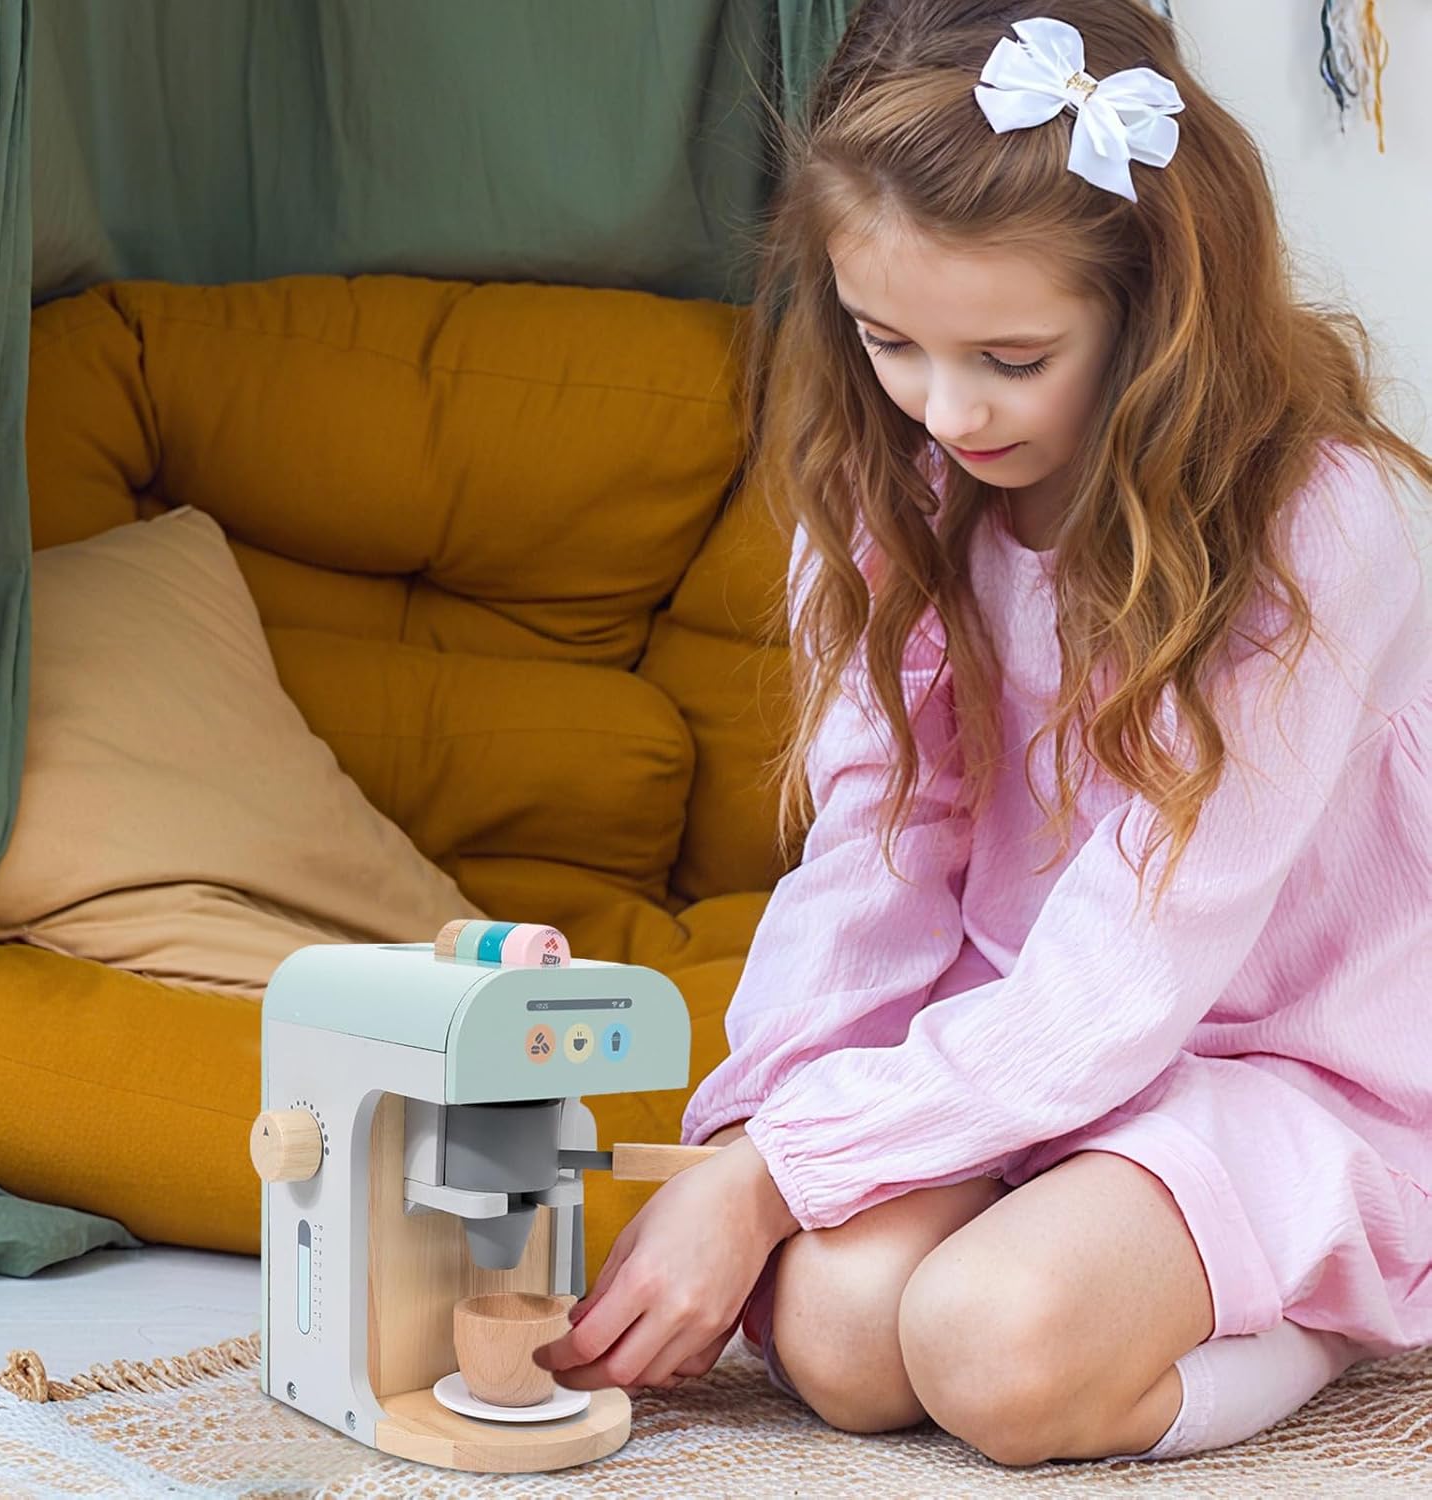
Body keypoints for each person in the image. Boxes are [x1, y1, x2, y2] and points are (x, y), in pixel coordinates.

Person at [535, 0, 1432, 1466]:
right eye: (890, 341)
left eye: (1013, 358)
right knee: (838, 1336)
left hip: (1277, 1057)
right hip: (1016, 1033)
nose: (947, 411)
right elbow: (872, 858)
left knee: (990, 1350)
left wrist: (778, 1179)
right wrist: (757, 1140)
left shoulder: (1314, 528)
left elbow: (1135, 967)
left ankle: (1342, 1299)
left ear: (1151, 308)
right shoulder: (894, 494)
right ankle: (1088, 1238)